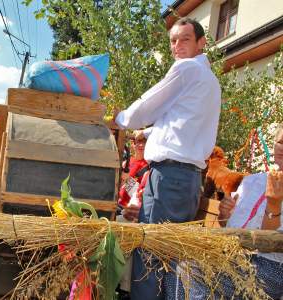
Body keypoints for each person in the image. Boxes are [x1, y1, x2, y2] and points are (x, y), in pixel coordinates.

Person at [114, 17, 221, 299]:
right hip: (186, 181)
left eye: (185, 39)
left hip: (170, 178)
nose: (177, 46)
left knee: (150, 257)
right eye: (173, 40)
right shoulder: (209, 81)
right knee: (172, 260)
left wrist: (119, 119)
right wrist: (149, 132)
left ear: (201, 43)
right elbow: (180, 122)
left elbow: (148, 104)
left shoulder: (186, 69)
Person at [184, 125, 283, 300]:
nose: (282, 148)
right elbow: (228, 225)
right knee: (176, 261)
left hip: (269, 268)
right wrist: (225, 214)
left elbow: (269, 243)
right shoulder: (252, 181)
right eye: (280, 142)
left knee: (188, 270)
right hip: (233, 255)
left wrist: (274, 206)